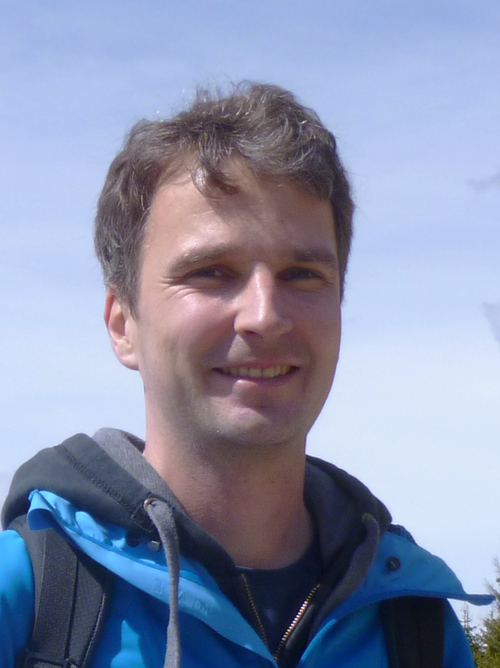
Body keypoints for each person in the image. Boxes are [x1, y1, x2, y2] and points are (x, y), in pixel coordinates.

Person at [0, 82, 491, 668]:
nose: (265, 315)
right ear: (122, 324)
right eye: (211, 271)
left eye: (302, 274)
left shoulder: (414, 627)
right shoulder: (28, 599)